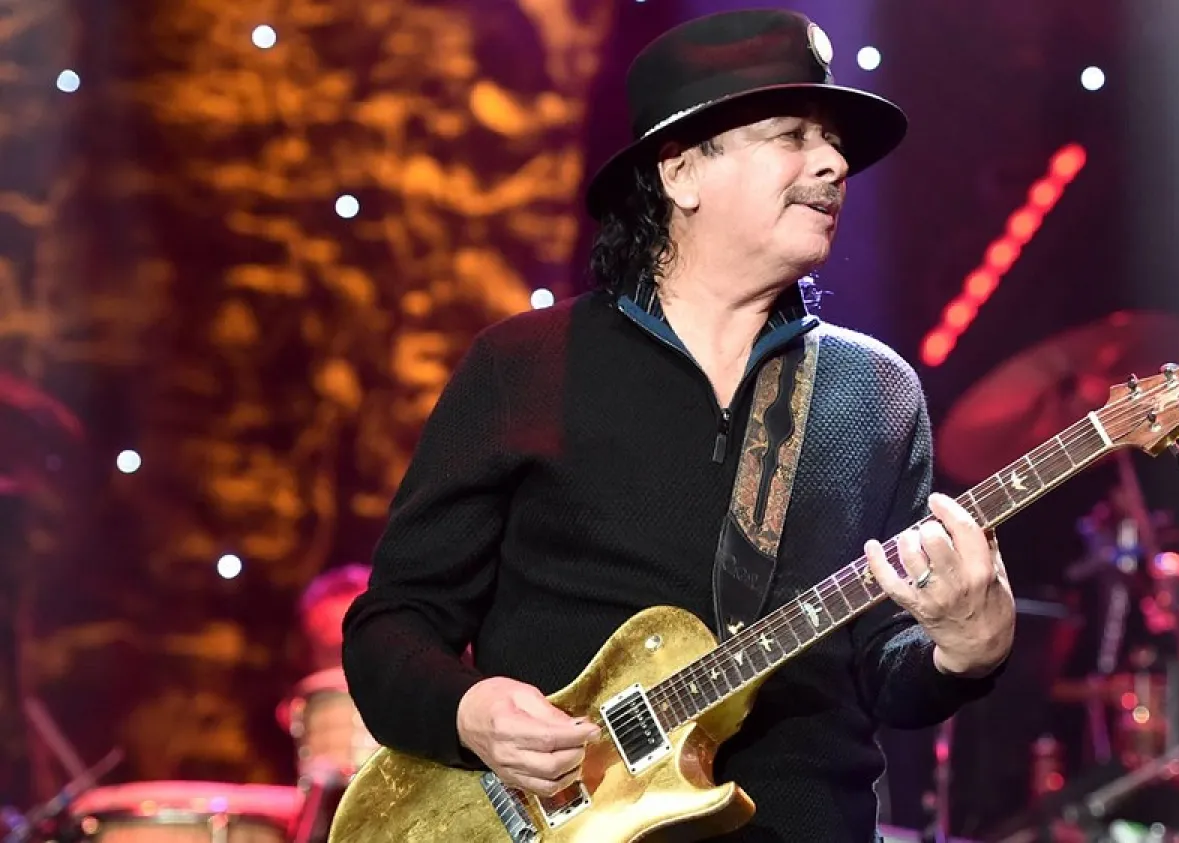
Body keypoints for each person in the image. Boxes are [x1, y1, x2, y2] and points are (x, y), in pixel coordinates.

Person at [342, 9, 1018, 842]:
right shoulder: (524, 365)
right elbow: (391, 627)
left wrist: (966, 647)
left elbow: (884, 673)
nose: (835, 163)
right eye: (792, 135)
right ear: (680, 171)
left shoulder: (875, 391)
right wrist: (470, 709)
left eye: (833, 141)